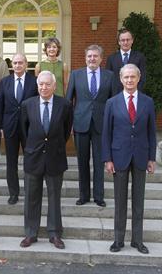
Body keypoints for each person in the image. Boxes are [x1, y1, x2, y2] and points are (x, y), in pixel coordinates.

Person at [102, 64, 156, 254]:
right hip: (119, 156)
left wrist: (152, 157)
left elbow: (151, 132)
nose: (130, 80)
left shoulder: (148, 102)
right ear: (121, 79)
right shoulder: (112, 103)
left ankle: (137, 240)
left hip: (141, 156)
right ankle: (118, 240)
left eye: (133, 77)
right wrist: (107, 158)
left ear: (138, 78)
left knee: (138, 201)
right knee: (120, 201)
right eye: (126, 77)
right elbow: (106, 133)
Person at [19, 70, 73, 250]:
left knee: (54, 198)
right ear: (37, 85)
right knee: (31, 198)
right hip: (33, 158)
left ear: (54, 86)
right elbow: (24, 131)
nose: (44, 87)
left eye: (47, 84)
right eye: (41, 84)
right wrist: (32, 148)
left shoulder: (64, 105)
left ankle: (55, 234)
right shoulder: (28, 104)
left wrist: (53, 146)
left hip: (55, 158)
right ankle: (30, 233)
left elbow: (66, 131)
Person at [66, 45, 115, 207]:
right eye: (89, 56)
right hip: (81, 123)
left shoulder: (110, 76)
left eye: (95, 56)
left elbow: (114, 102)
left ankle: (99, 196)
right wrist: (69, 123)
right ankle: (84, 196)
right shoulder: (76, 74)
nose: (92, 59)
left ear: (101, 59)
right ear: (85, 58)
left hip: (101, 124)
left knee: (100, 162)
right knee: (82, 162)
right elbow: (68, 101)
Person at [0, 53, 38, 205]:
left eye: (20, 63)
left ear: (26, 64)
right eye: (15, 63)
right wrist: (0, 126)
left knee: (31, 161)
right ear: (12, 65)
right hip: (10, 127)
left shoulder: (34, 81)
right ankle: (13, 193)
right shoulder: (4, 82)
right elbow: (0, 105)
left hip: (30, 128)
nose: (17, 65)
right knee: (11, 162)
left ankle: (30, 191)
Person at [105, 28, 146, 93]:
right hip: (116, 95)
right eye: (123, 40)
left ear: (132, 41)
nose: (125, 42)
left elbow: (142, 78)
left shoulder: (140, 57)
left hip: (133, 95)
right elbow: (108, 79)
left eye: (128, 40)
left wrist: (135, 92)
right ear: (119, 42)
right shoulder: (111, 58)